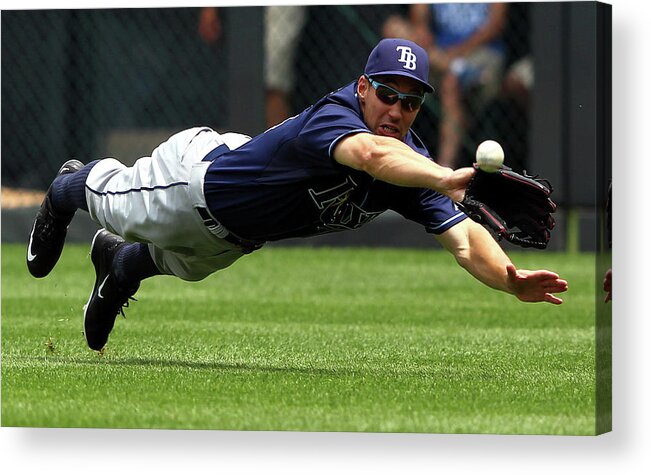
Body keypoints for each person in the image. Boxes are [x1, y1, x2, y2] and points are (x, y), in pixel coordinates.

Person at [26, 38, 568, 352]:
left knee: (184, 264)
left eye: (410, 103)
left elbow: (466, 238)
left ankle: (117, 268)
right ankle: (65, 187)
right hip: (196, 181)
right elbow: (373, 157)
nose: (397, 111)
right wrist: (446, 176)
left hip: (241, 230)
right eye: (387, 94)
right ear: (362, 89)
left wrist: (509, 280)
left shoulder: (414, 164)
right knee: (120, 204)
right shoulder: (340, 118)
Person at [383, 3, 508, 168]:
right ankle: (455, 67)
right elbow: (419, 16)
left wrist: (456, 52)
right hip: (439, 53)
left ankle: (445, 168)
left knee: (451, 82)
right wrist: (422, 30)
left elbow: (496, 24)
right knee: (393, 27)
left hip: (482, 53)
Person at [197, 5, 307, 128]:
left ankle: (281, 144)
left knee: (272, 83)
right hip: (245, 11)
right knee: (247, 80)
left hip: (278, 9)